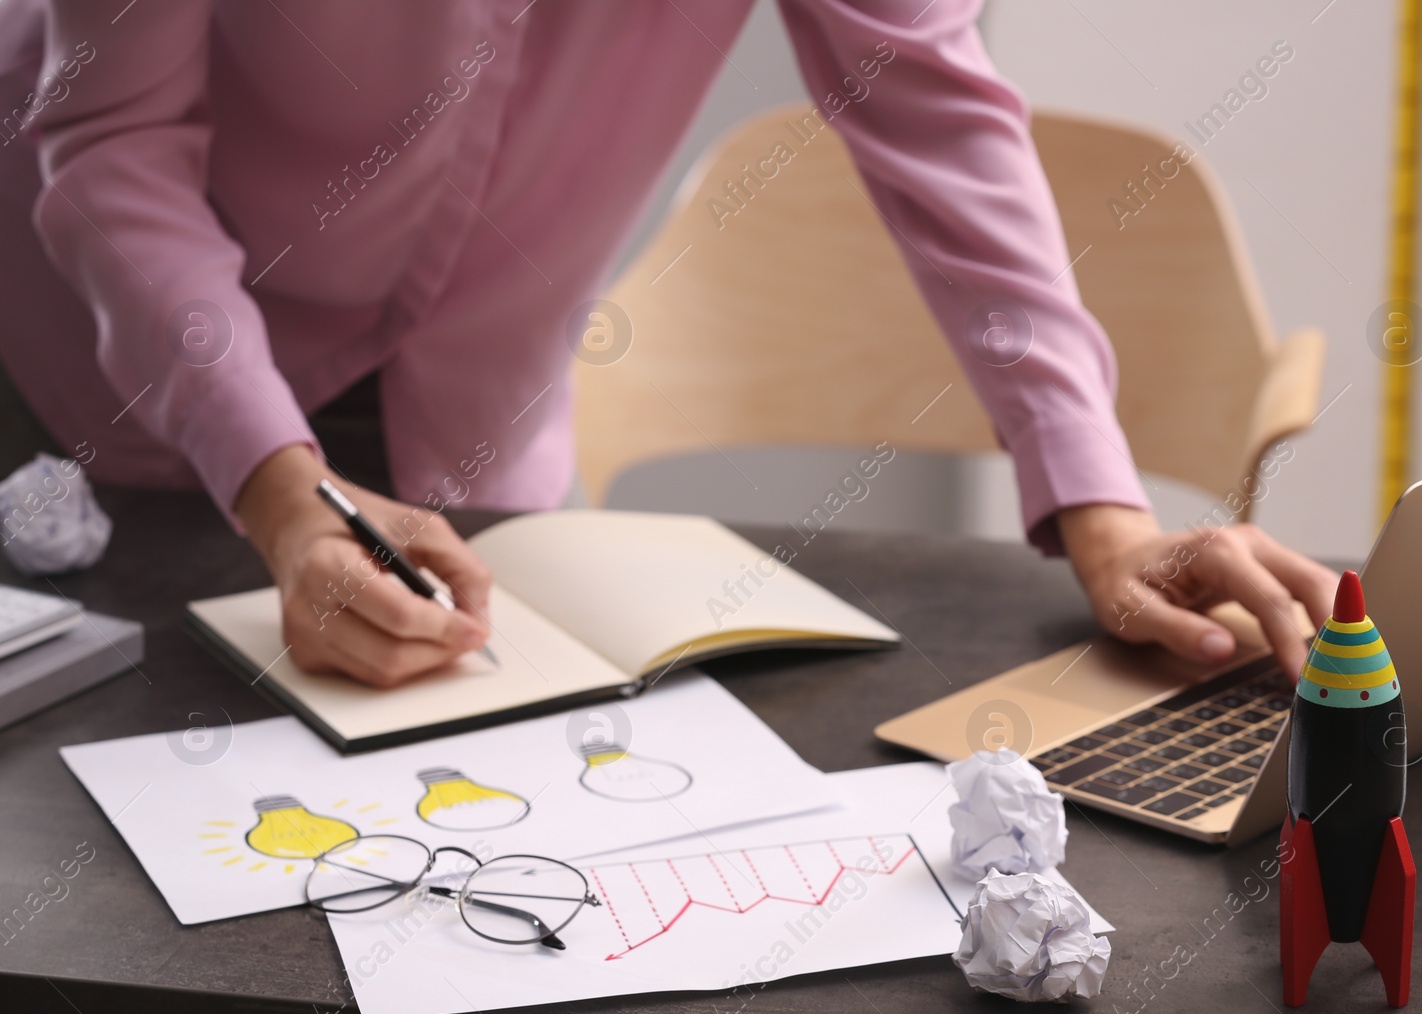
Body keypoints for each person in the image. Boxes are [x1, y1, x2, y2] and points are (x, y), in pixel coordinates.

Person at [0, 0, 1334, 688]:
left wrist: (1104, 511)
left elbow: (937, 112)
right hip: (116, 377)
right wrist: (282, 492)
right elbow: (112, 150)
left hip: (463, 403)